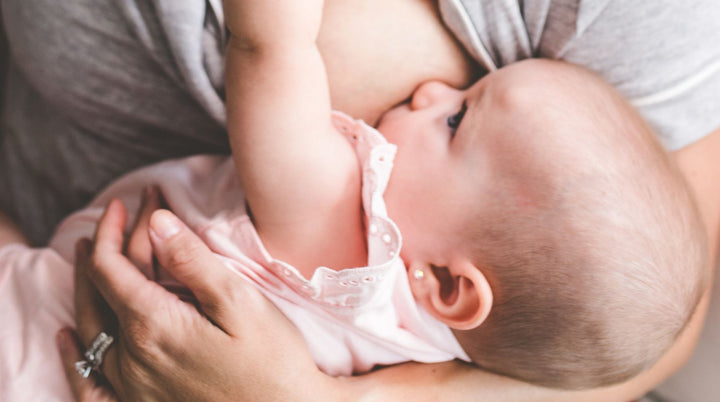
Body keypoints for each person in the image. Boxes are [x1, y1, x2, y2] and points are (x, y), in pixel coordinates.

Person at [0, 0, 718, 400]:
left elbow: (268, 51)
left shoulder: (347, 239)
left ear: (444, 280)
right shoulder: (439, 336)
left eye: (456, 121)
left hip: (41, 343)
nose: (433, 91)